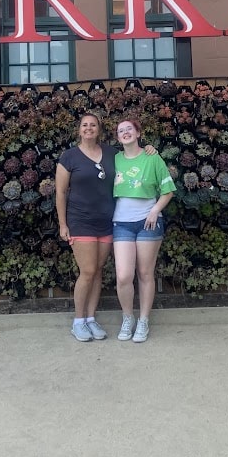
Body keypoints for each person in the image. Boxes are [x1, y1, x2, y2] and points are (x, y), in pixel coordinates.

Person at [55, 113, 157, 343]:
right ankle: (78, 321)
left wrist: (149, 148)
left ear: (99, 130)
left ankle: (91, 318)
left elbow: (134, 155)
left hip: (108, 221)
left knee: (99, 270)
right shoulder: (69, 157)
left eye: (93, 125)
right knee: (88, 271)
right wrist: (63, 223)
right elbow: (61, 192)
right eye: (84, 125)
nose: (89, 128)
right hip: (81, 221)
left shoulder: (112, 154)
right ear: (79, 130)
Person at [112, 118, 175, 343]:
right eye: (121, 131)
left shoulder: (152, 157)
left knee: (145, 274)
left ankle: (144, 320)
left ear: (138, 132)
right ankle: (127, 317)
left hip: (148, 222)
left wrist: (155, 210)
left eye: (130, 128)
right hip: (122, 223)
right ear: (118, 137)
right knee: (123, 276)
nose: (126, 132)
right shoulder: (114, 158)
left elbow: (168, 190)